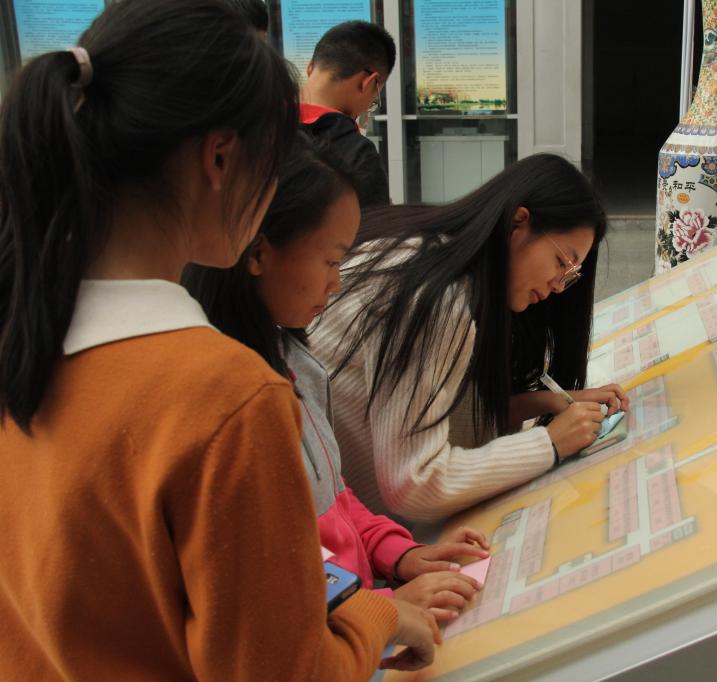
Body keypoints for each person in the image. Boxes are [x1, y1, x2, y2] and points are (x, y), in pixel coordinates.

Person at [0, 1, 435, 679]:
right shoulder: (227, 395)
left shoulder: (26, 335)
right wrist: (380, 618)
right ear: (222, 157)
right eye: (276, 156)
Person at [184, 136, 488, 624]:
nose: (337, 282)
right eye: (330, 261)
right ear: (258, 252)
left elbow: (333, 498)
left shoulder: (291, 357)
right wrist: (384, 610)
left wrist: (398, 554)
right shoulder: (232, 398)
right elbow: (273, 580)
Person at [310, 153, 630, 523]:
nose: (559, 286)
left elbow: (439, 408)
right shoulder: (437, 298)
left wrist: (550, 401)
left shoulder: (430, 251)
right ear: (518, 223)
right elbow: (413, 483)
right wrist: (551, 443)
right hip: (327, 528)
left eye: (571, 275)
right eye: (562, 262)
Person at [301, 20, 394, 209]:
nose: (371, 104)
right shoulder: (356, 154)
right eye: (376, 94)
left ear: (310, 67)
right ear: (368, 82)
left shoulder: (263, 124)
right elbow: (374, 227)